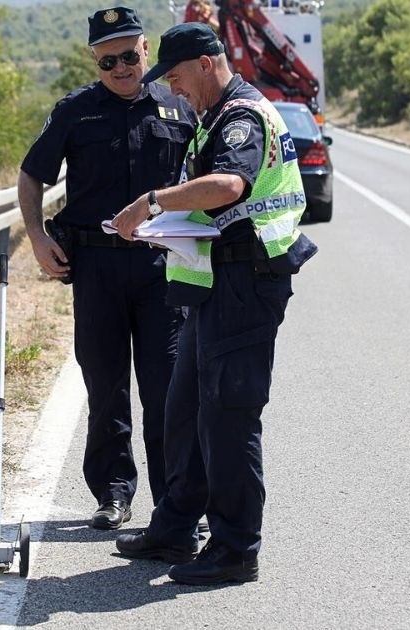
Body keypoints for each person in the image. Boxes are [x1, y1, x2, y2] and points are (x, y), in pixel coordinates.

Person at [110, 22, 317, 585]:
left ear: (205, 63)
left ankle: (235, 549)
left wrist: (152, 203)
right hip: (214, 284)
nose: (173, 90)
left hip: (246, 283)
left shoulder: (242, 117)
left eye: (175, 77)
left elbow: (228, 186)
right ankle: (175, 528)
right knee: (185, 411)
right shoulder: (213, 116)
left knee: (227, 418)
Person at [17, 7, 196, 530]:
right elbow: (31, 177)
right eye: (107, 60)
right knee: (105, 384)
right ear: (95, 62)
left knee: (167, 388)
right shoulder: (75, 111)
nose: (120, 68)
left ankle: (174, 500)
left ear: (147, 49)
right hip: (95, 268)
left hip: (163, 267)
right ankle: (113, 493)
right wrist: (36, 235)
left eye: (128, 55)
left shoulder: (178, 105)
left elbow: (208, 177)